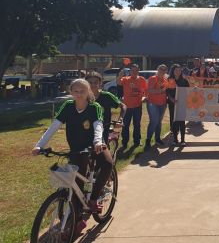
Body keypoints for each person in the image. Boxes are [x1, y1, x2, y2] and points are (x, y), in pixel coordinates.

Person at [32, 79, 113, 233]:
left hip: (95, 145)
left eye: (82, 91)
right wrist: (39, 145)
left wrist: (97, 143)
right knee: (76, 184)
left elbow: (98, 126)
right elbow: (54, 126)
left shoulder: (94, 107)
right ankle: (76, 217)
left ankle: (94, 198)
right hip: (76, 149)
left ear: (88, 91)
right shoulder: (68, 106)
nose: (79, 94)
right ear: (71, 92)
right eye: (75, 91)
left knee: (107, 163)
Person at [85, 71, 126, 145]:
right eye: (90, 82)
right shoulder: (82, 97)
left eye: (95, 82)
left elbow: (123, 106)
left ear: (100, 83)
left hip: (103, 129)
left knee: (102, 152)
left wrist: (120, 119)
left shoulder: (106, 96)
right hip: (86, 129)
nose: (93, 85)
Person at [118, 64, 147, 149]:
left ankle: (137, 141)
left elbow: (145, 91)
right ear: (130, 71)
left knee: (137, 124)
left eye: (136, 70)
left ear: (138, 71)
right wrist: (120, 75)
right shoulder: (126, 79)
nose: (134, 72)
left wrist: (144, 98)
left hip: (138, 106)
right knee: (125, 125)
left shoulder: (142, 79)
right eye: (133, 70)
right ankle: (124, 142)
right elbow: (119, 82)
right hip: (127, 107)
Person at [144, 64, 168, 150]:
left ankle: (157, 139)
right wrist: (161, 90)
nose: (163, 71)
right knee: (154, 122)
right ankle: (148, 140)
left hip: (162, 104)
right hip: (153, 103)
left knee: (159, 122)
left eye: (164, 70)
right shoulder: (152, 79)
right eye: (161, 69)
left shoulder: (165, 80)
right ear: (157, 69)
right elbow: (150, 90)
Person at [166, 64, 190, 146]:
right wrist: (171, 99)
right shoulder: (169, 80)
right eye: (176, 70)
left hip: (181, 104)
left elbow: (188, 91)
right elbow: (167, 92)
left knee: (182, 122)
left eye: (179, 70)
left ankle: (183, 140)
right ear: (173, 71)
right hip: (172, 104)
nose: (178, 72)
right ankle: (175, 139)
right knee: (174, 121)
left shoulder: (184, 80)